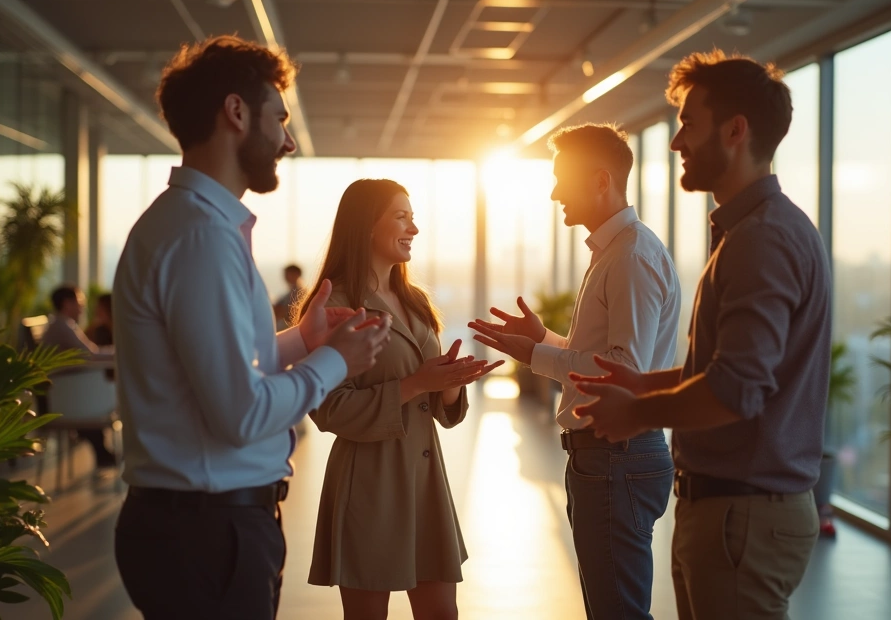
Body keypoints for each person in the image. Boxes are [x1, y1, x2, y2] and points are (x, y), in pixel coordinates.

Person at [110, 35, 392, 620]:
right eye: (280, 118)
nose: (288, 141)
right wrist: (335, 361)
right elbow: (241, 414)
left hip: (199, 529)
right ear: (236, 113)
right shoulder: (201, 238)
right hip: (207, 534)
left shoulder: (189, 226)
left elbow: (216, 369)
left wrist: (303, 341)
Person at [572, 51, 832, 620]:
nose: (676, 142)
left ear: (735, 131)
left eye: (689, 123)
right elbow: (720, 368)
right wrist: (643, 384)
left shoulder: (762, 241)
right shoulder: (752, 232)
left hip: (744, 520)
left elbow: (736, 390)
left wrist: (638, 414)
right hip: (732, 517)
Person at [467, 123, 681, 619]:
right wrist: (545, 340)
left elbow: (621, 373)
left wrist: (535, 355)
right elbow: (615, 359)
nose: (555, 191)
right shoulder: (618, 251)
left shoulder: (629, 257)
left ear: (601, 181)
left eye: (564, 177)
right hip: (611, 457)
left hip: (615, 457)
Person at [302, 178, 501, 620]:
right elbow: (328, 408)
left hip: (424, 479)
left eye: (413, 217)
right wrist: (416, 384)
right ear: (366, 226)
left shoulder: (415, 301)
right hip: (370, 482)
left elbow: (436, 401)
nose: (414, 227)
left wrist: (450, 382)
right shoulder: (334, 306)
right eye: (401, 216)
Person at [41, 284, 117, 468]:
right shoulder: (63, 326)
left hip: (67, 393)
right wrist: (121, 353)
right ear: (67, 304)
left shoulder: (62, 325)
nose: (83, 306)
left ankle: (103, 453)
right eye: (80, 301)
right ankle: (105, 454)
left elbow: (90, 353)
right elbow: (90, 355)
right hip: (67, 397)